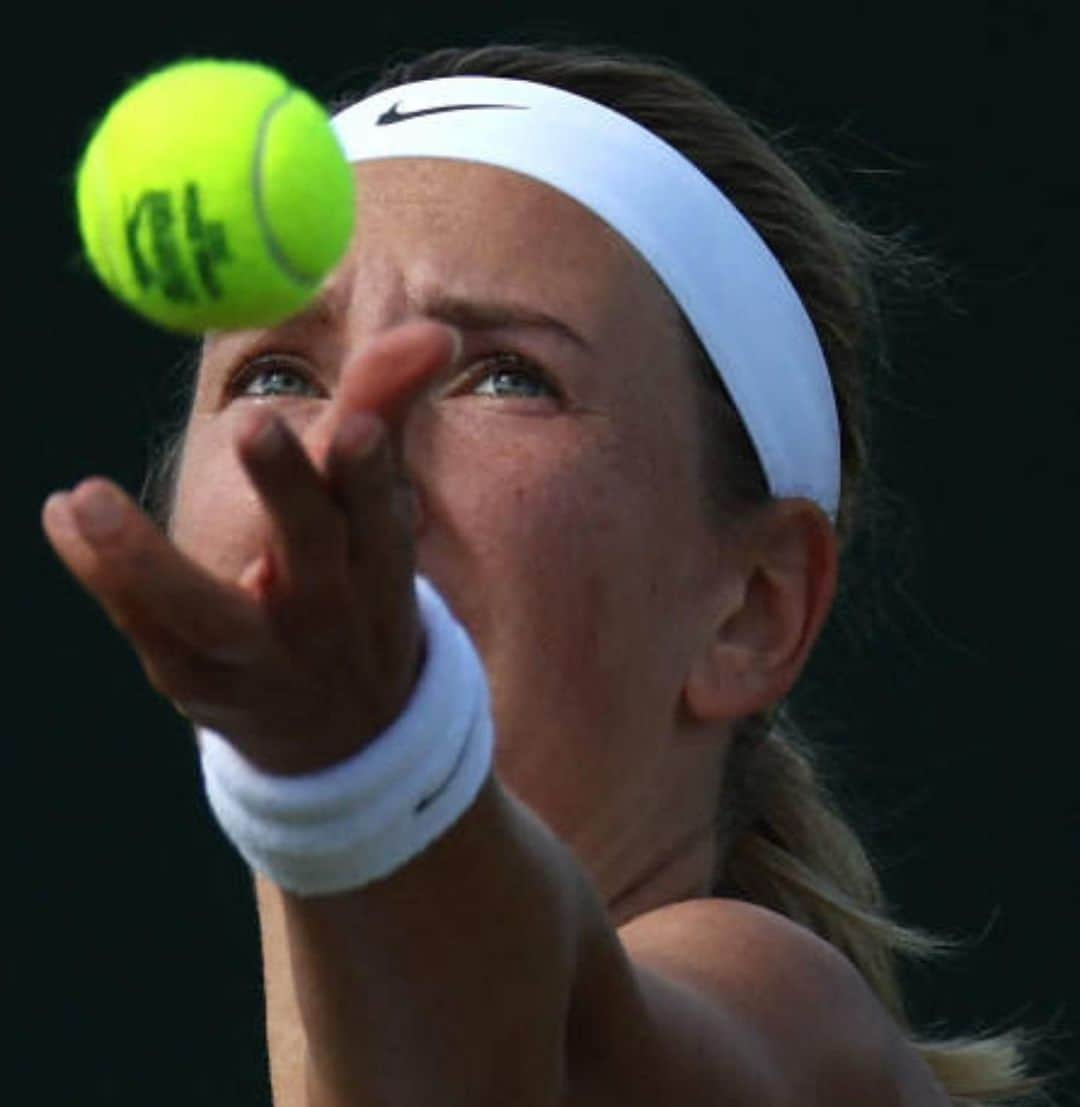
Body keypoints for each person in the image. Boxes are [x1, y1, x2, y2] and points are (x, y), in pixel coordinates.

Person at [43, 43, 1042, 1107]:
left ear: (752, 609)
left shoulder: (789, 1026)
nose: (349, 447)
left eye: (508, 377)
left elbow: (534, 1066)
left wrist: (361, 773)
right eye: (276, 372)